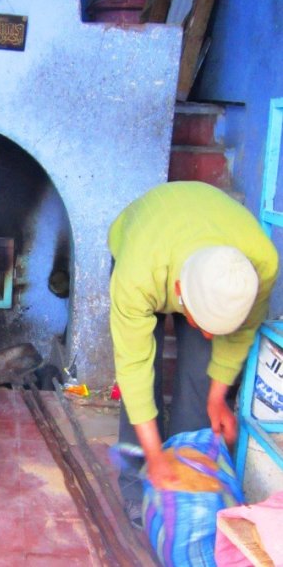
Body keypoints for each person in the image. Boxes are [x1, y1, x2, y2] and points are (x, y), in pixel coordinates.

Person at [108, 181, 279, 527]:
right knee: (142, 382)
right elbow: (134, 368)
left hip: (205, 243)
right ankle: (137, 487)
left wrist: (217, 397)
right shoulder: (136, 277)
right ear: (178, 291)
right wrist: (154, 455)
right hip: (147, 239)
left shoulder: (259, 267)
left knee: (201, 376)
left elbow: (241, 332)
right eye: (202, 323)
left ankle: (186, 483)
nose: (208, 335)